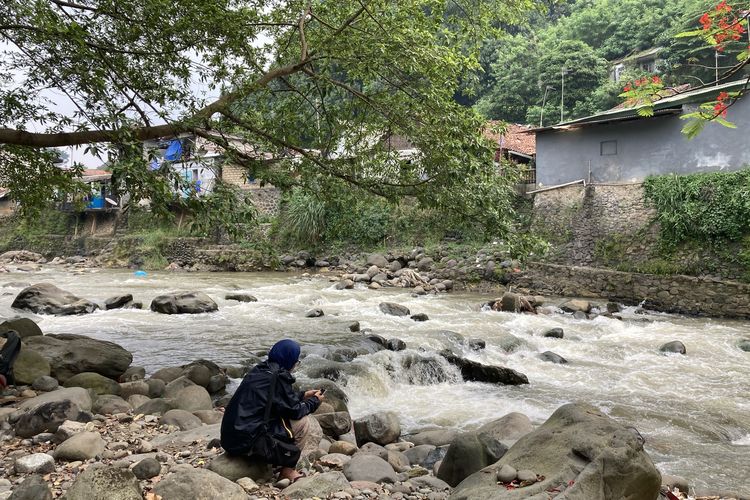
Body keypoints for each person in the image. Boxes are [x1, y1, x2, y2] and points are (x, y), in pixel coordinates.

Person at [220, 339, 324, 482]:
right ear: (290, 360)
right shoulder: (278, 377)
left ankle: (274, 460)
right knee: (303, 423)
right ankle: (288, 470)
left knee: (281, 419)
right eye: (296, 360)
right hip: (247, 442)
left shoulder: (261, 369)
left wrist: (303, 395)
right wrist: (314, 402)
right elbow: (295, 411)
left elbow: (276, 399)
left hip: (230, 438)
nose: (296, 364)